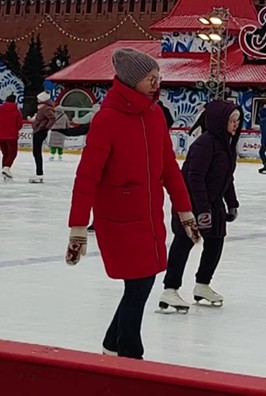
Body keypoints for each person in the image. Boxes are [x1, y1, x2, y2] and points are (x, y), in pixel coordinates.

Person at [65, 48, 200, 359]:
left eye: (158, 77)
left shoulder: (154, 115)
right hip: (120, 219)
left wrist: (185, 211)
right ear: (131, 81)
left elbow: (169, 167)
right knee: (138, 285)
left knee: (141, 283)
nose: (157, 83)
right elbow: (87, 178)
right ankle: (129, 353)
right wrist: (77, 228)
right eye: (150, 79)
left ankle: (112, 345)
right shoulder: (107, 119)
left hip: (150, 217)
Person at [159, 100, 240, 313]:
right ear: (219, 121)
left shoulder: (226, 145)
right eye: (232, 120)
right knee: (184, 243)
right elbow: (194, 177)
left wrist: (231, 203)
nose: (236, 124)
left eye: (238, 120)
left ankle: (202, 285)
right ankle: (170, 288)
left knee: (215, 242)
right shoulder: (205, 143)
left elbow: (227, 178)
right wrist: (202, 210)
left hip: (214, 205)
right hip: (191, 205)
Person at [0, 94, 25, 180]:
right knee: (12, 153)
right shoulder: (17, 111)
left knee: (5, 154)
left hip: (1, 135)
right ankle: (6, 168)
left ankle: (4, 170)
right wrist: (14, 128)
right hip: (12, 136)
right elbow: (20, 124)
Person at [30, 92, 56, 183]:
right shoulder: (42, 108)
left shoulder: (46, 108)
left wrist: (45, 128)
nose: (37, 100)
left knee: (37, 153)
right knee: (36, 153)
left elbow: (52, 118)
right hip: (38, 131)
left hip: (40, 132)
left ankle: (39, 174)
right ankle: (38, 174)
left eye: (39, 98)